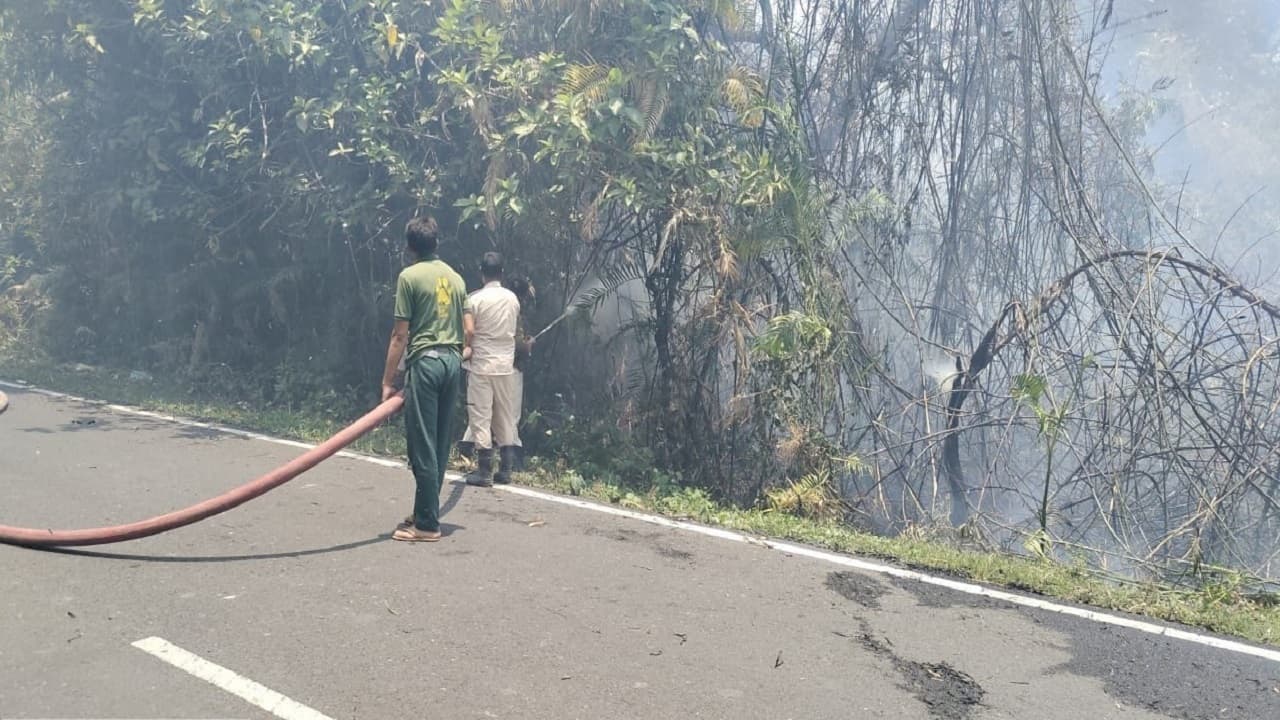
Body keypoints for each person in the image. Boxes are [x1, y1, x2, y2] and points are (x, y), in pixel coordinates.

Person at [380, 215, 467, 542]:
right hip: (452, 363)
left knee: (423, 444)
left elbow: (400, 335)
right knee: (440, 441)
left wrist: (389, 381)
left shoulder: (409, 276)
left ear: (409, 247)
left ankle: (427, 526)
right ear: (437, 243)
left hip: (426, 365)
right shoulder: (457, 278)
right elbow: (467, 330)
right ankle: (424, 510)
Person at [462, 252, 524, 487]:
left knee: (480, 416)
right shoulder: (512, 299)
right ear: (502, 273)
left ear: (481, 274)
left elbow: (468, 331)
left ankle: (484, 471)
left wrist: (466, 349)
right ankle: (505, 470)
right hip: (505, 366)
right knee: (504, 417)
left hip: (482, 366)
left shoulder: (474, 300)